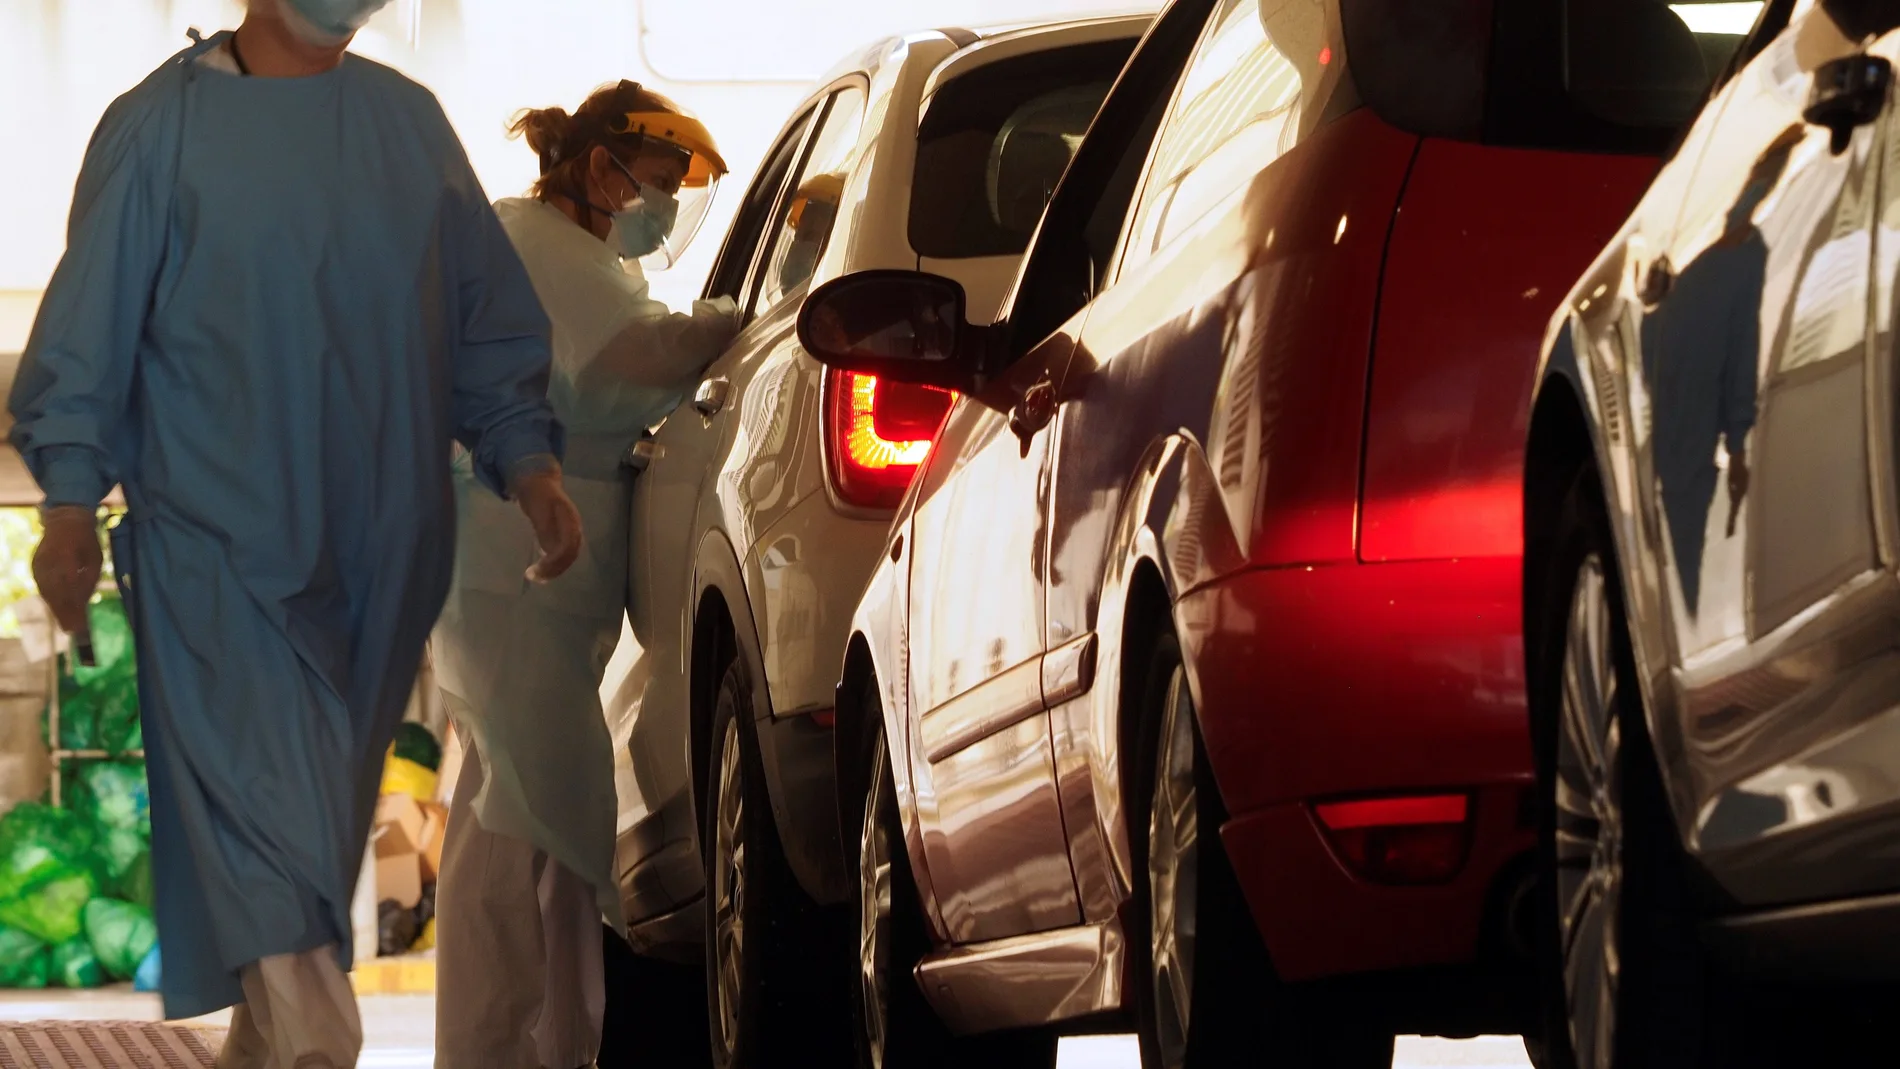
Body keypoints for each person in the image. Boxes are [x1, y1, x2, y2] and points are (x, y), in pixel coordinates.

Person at [9, 1, 584, 1065]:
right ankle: (319, 1037)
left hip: (383, 550)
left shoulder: (407, 125)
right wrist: (70, 504)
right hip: (213, 543)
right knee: (264, 804)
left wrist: (532, 463)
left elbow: (483, 322)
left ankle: (270, 1040)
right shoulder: (160, 130)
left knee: (310, 829)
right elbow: (86, 332)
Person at [429, 80, 740, 1069]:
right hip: (514, 565)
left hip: (525, 574)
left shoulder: (553, 250)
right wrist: (754, 314)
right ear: (600, 168)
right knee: (537, 821)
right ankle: (512, 1048)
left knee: (528, 814)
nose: (659, 211)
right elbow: (643, 360)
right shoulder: (539, 247)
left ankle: (536, 1047)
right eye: (653, 184)